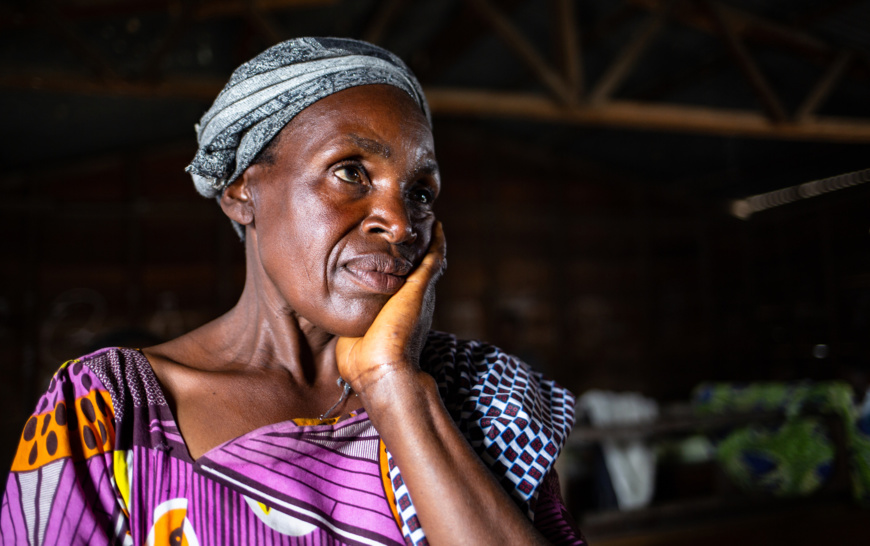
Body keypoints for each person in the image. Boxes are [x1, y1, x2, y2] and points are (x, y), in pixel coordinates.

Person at [1, 37, 584, 545]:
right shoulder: (109, 411)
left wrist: (394, 388)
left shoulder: (473, 398)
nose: (402, 223)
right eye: (352, 171)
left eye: (422, 192)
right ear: (241, 191)